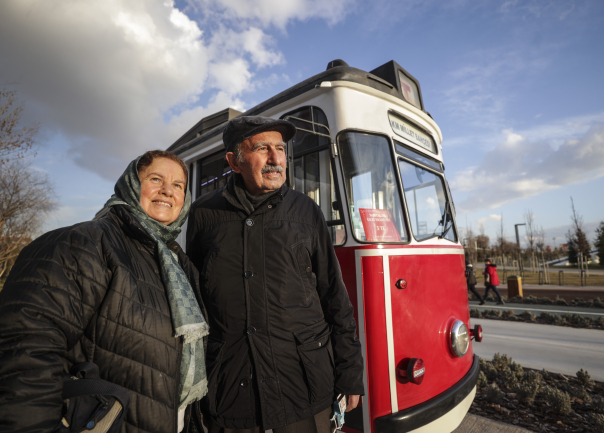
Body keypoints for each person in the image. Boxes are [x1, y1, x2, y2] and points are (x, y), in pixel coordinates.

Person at [0, 150, 208, 433]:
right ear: (131, 184)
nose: (167, 191)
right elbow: (25, 350)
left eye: (178, 185)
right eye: (155, 179)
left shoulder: (181, 267)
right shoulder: (85, 243)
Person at [186, 116, 364, 433]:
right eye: (262, 148)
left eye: (280, 149)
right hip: (231, 391)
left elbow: (335, 297)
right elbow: (196, 304)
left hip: (303, 385)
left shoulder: (307, 211)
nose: (275, 158)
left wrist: (350, 373)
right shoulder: (203, 214)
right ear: (234, 161)